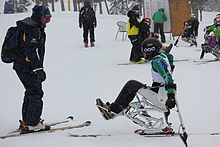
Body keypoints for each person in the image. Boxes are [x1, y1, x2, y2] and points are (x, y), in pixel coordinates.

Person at [96, 38, 176, 120]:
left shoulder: (157, 61)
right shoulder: (164, 56)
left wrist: (171, 96)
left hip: (161, 96)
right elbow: (170, 56)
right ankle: (117, 108)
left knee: (131, 85)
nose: (143, 55)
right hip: (160, 91)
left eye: (144, 52)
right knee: (134, 87)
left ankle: (114, 111)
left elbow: (168, 77)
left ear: (150, 51)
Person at [12, 5, 52, 134]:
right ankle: (32, 123)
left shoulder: (30, 27)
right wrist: (38, 69)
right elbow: (31, 51)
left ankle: (28, 120)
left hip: (22, 66)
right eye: (46, 18)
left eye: (49, 19)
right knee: (36, 93)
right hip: (27, 67)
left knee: (30, 91)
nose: (47, 22)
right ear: (39, 17)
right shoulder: (33, 30)